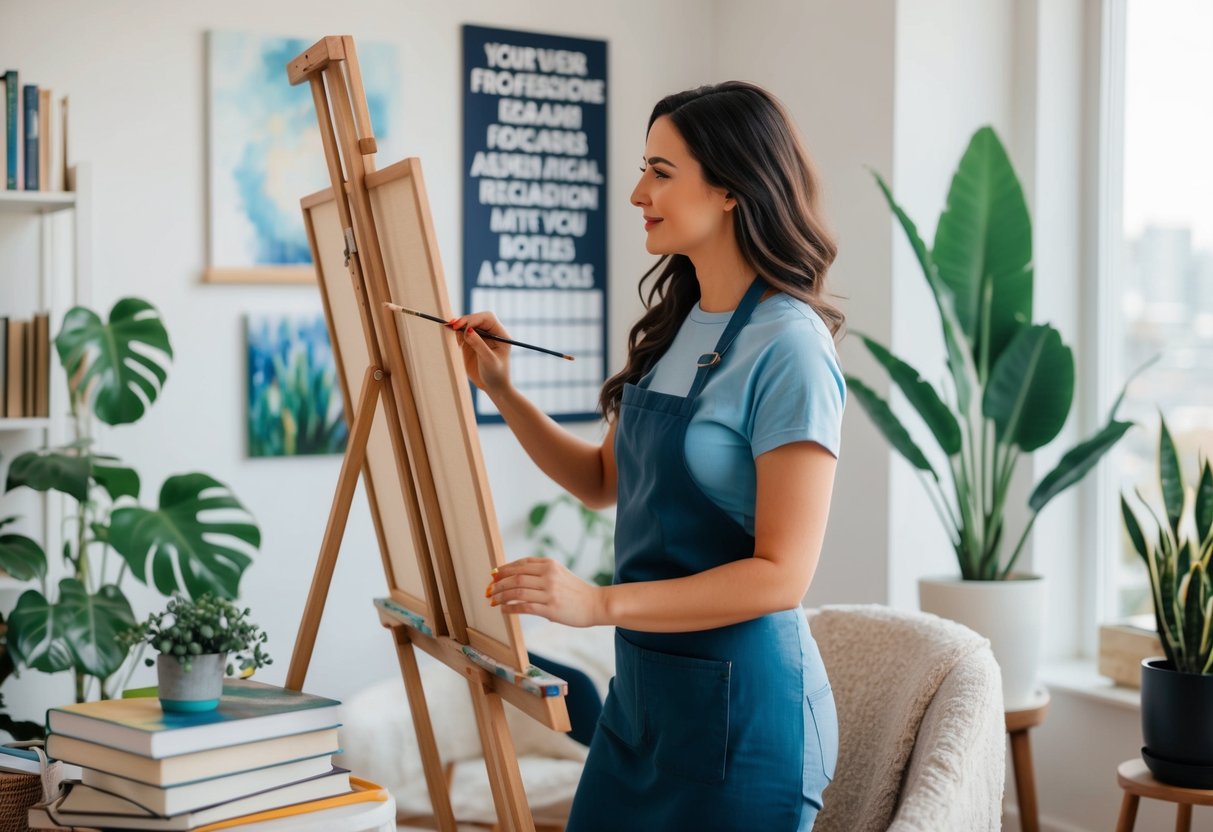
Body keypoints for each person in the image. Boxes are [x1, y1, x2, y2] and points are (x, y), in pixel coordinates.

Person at [458, 81, 844, 831]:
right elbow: (603, 481)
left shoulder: (791, 346)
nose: (637, 191)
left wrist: (597, 604)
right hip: (645, 704)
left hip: (745, 718)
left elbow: (782, 575)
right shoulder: (674, 326)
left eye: (660, 171)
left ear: (731, 188)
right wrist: (502, 390)